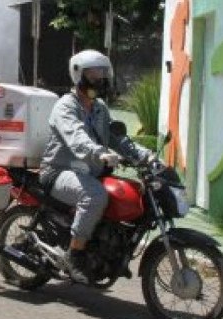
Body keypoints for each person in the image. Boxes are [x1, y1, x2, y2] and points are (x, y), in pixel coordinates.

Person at [39, 49, 152, 284]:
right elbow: (77, 138)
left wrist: (147, 157)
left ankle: (111, 255)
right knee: (95, 196)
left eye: (103, 73)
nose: (100, 79)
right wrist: (100, 153)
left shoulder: (99, 108)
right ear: (78, 74)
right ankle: (75, 254)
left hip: (89, 170)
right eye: (94, 74)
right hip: (58, 171)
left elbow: (117, 138)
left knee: (128, 192)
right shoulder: (65, 107)